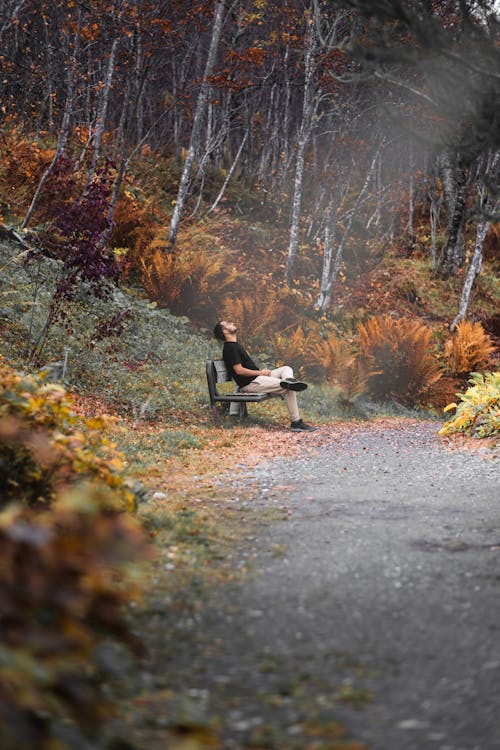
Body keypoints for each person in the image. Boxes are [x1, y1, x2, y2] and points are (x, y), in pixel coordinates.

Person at [213, 320, 317, 432]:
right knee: (288, 388)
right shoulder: (230, 348)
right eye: (228, 324)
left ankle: (288, 381)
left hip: (258, 378)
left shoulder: (234, 345)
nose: (231, 323)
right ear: (225, 331)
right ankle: (296, 422)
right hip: (251, 383)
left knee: (286, 369)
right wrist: (260, 373)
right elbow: (239, 371)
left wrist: (262, 373)